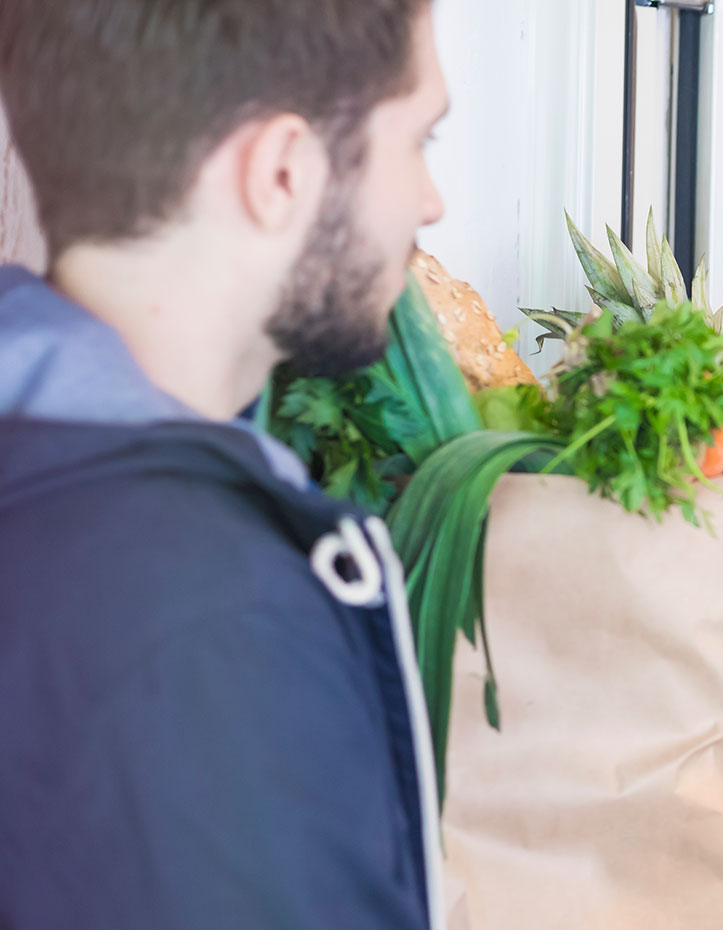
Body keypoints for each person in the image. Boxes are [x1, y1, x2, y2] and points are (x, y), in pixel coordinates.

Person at [0, 1, 449, 926]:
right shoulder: (205, 621)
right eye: (420, 140)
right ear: (281, 172)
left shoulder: (40, 460)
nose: (430, 203)